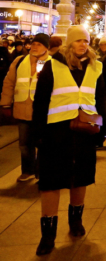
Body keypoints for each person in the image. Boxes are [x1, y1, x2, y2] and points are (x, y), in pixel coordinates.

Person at [31, 26, 106, 255]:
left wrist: (102, 130)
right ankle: (48, 235)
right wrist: (38, 134)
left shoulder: (96, 67)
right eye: (79, 41)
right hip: (56, 133)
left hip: (84, 133)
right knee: (51, 183)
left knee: (80, 179)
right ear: (69, 43)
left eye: (86, 40)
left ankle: (76, 222)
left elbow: (100, 100)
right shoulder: (53, 66)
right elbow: (41, 102)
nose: (84, 44)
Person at [1, 33, 51, 181]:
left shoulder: (51, 62)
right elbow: (9, 82)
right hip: (22, 108)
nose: (35, 47)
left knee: (42, 144)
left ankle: (41, 171)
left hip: (42, 112)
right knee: (24, 144)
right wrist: (5, 103)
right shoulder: (19, 60)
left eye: (39, 44)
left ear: (46, 47)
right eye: (34, 44)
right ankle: (27, 170)